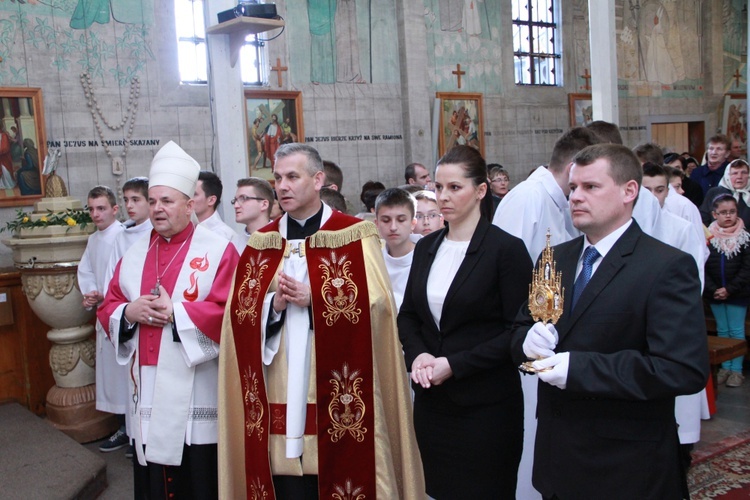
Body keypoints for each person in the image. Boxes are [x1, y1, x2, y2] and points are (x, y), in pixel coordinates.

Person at [218, 142, 424, 498]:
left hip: (336, 391)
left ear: (318, 180)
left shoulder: (355, 235)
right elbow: (237, 317)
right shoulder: (261, 243)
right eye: (278, 177)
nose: (282, 186)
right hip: (277, 385)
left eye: (292, 177)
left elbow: (378, 307)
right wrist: (276, 307)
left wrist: (317, 303)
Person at [512, 144, 709, 499]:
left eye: (591, 187)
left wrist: (580, 369)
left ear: (628, 191)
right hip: (559, 456)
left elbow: (682, 368)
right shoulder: (554, 259)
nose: (576, 197)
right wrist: (525, 341)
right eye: (573, 188)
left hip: (626, 463)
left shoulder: (665, 266)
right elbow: (519, 328)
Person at [98, 141, 240, 499]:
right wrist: (128, 312)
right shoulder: (133, 254)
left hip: (195, 383)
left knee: (197, 473)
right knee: (152, 476)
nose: (157, 209)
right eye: (154, 200)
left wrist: (176, 313)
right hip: (146, 381)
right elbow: (109, 303)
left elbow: (232, 312)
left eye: (167, 201)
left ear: (189, 205)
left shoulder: (218, 249)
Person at [398, 146, 532, 498]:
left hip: (486, 406)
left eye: (455, 188)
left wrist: (454, 365)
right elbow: (410, 315)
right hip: (433, 405)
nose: (444, 196)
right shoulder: (427, 248)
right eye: (439, 187)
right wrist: (419, 356)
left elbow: (517, 331)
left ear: (481, 190)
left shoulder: (506, 249)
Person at [493, 126, 600, 500]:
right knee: (530, 443)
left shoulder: (558, 201)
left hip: (555, 345)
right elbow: (506, 279)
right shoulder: (528, 200)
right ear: (573, 167)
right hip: (528, 342)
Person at [78, 186, 126, 453]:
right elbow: (86, 271)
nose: (95, 214)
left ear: (114, 209)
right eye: (91, 208)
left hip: (120, 314)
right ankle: (123, 427)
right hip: (103, 313)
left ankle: (130, 430)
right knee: (111, 376)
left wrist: (106, 296)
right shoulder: (94, 239)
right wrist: (90, 294)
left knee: (123, 375)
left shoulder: (122, 236)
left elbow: (122, 276)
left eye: (101, 208)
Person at [705, 193, 750, 388]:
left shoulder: (744, 238)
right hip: (714, 293)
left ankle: (736, 371)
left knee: (736, 331)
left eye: (732, 212)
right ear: (715, 214)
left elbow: (747, 268)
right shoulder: (708, 237)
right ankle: (725, 367)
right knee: (722, 330)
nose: (728, 216)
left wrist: (729, 289)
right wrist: (714, 289)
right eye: (723, 212)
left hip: (737, 293)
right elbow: (703, 264)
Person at [374, 187, 419, 309]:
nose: (393, 227)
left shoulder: (426, 257)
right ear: (376, 223)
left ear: (413, 223)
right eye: (386, 220)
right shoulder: (373, 261)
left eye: (401, 220)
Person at [194, 170, 244, 253]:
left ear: (211, 200)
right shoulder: (180, 230)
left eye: (194, 194)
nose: (188, 199)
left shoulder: (226, 236)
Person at [700, 158, 750, 229]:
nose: (739, 177)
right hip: (716, 237)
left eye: (744, 173)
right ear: (728, 176)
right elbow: (703, 219)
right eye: (735, 173)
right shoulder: (714, 193)